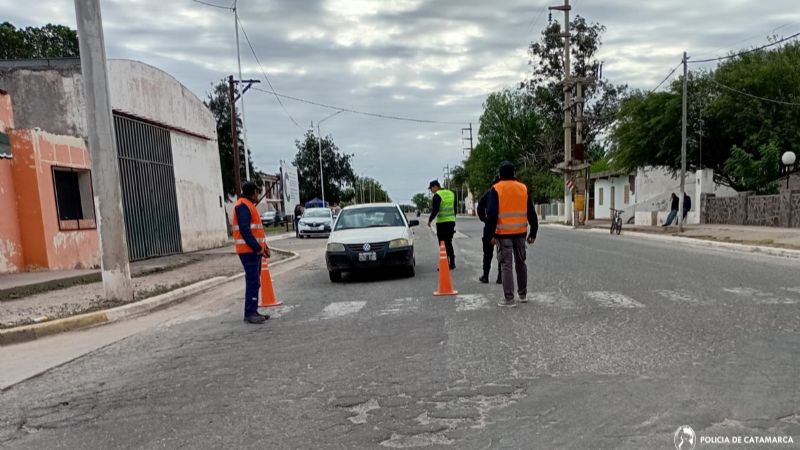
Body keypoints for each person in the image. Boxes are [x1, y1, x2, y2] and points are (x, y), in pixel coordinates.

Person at [485, 161, 538, 308]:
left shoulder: (497, 189)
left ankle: (509, 299)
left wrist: (490, 235)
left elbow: (492, 214)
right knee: (521, 263)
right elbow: (531, 212)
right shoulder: (522, 188)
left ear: (500, 174)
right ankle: (523, 295)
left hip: (503, 234)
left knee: (506, 265)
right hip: (520, 233)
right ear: (514, 173)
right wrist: (533, 232)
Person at [233, 182, 271, 324]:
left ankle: (253, 310)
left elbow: (257, 231)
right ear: (252, 192)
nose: (258, 195)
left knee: (255, 281)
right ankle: (250, 312)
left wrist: (264, 247)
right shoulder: (242, 206)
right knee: (253, 281)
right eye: (256, 192)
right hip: (248, 251)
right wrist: (257, 248)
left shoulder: (248, 205)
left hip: (253, 250)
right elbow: (245, 231)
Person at [427, 180, 457, 270]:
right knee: (449, 242)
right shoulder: (451, 193)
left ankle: (445, 263)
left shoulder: (437, 195)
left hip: (442, 223)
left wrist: (430, 220)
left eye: (431, 188)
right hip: (451, 222)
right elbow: (455, 208)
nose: (431, 191)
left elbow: (435, 210)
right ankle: (452, 262)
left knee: (442, 243)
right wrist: (453, 219)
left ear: (435, 186)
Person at [477, 175, 502, 284]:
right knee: (502, 253)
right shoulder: (505, 193)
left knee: (487, 253)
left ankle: (485, 275)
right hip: (504, 227)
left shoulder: (490, 193)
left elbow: (480, 208)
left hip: (490, 227)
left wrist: (484, 219)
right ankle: (501, 277)